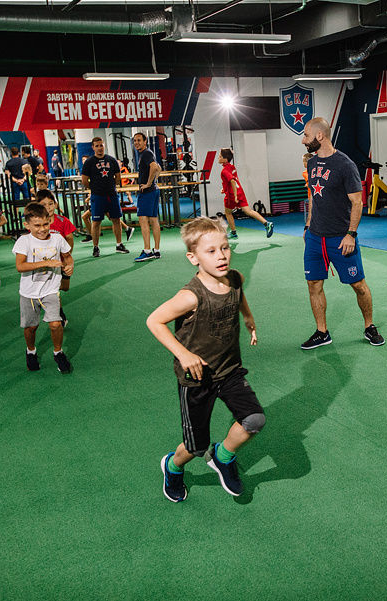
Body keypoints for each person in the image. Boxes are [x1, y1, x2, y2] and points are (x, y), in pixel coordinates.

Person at [145, 217, 265, 501]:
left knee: (254, 419)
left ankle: (222, 456)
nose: (221, 255)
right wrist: (184, 354)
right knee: (194, 447)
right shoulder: (190, 296)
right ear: (193, 257)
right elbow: (154, 321)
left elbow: (239, 293)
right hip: (197, 379)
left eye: (224, 247)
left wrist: (247, 316)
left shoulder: (235, 278)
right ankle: (172, 467)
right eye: (211, 251)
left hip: (230, 371)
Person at [299, 117, 384, 349]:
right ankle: (322, 332)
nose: (303, 140)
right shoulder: (311, 163)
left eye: (306, 135)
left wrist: (351, 234)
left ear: (319, 136)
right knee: (313, 284)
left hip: (341, 238)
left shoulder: (345, 165)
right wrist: (308, 226)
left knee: (358, 285)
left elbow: (357, 202)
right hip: (316, 237)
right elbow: (312, 197)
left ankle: (369, 326)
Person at [12, 201, 73, 374]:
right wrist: (47, 263)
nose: (42, 228)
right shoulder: (24, 241)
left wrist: (70, 266)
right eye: (37, 225)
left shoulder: (57, 238)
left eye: (45, 224)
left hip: (51, 290)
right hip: (29, 293)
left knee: (55, 324)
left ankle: (58, 352)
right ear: (27, 225)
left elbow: (67, 256)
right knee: (31, 327)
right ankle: (31, 351)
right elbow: (20, 266)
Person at [81, 137, 129, 257]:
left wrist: (112, 185)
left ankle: (119, 245)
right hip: (97, 196)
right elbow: (84, 180)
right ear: (93, 148)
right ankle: (96, 247)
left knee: (116, 220)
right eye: (96, 146)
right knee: (96, 222)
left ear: (104, 146)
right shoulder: (89, 162)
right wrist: (95, 188)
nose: (99, 148)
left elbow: (118, 176)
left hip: (112, 194)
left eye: (101, 145)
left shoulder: (111, 160)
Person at [37, 189, 75, 327]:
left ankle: (48, 298)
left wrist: (67, 256)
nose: (48, 207)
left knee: (64, 287)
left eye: (50, 204)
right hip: (45, 263)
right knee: (53, 290)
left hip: (62, 261)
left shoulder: (62, 220)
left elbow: (70, 238)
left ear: (56, 204)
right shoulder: (38, 224)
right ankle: (59, 313)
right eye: (44, 205)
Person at [217, 148, 274, 240]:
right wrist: (224, 189)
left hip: (232, 195)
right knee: (248, 211)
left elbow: (232, 181)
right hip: (240, 192)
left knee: (228, 213)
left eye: (220, 157)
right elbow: (232, 181)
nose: (218, 158)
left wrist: (234, 196)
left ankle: (234, 233)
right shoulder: (232, 167)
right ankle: (267, 223)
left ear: (225, 159)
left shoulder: (224, 171)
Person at [132, 132, 162, 262]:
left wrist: (149, 183)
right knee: (154, 220)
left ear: (145, 141)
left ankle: (147, 251)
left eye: (139, 140)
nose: (137, 143)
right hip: (154, 190)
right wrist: (154, 181)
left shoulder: (146, 153)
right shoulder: (147, 153)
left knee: (143, 220)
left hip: (148, 192)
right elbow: (158, 168)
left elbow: (155, 167)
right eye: (135, 141)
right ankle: (156, 250)